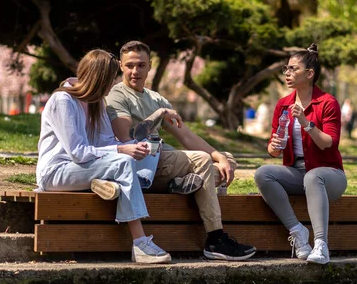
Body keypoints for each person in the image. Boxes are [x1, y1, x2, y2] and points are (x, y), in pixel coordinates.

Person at [106, 40, 256, 261]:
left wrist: (220, 157)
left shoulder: (155, 98)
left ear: (149, 66)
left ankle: (184, 184)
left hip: (164, 159)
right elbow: (127, 136)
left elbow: (186, 136)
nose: (134, 71)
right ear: (120, 65)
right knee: (203, 160)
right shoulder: (117, 96)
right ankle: (215, 238)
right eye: (129, 65)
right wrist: (159, 114)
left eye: (140, 65)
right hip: (143, 163)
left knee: (226, 160)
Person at [36, 49, 176, 264]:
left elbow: (107, 142)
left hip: (85, 167)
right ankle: (140, 244)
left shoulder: (96, 102)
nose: (112, 86)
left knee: (143, 150)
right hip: (57, 172)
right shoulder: (63, 100)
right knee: (124, 161)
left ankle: (113, 183)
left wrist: (135, 145)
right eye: (110, 80)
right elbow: (78, 152)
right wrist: (121, 151)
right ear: (100, 79)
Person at [254, 43, 347, 265]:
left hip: (330, 175)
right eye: (286, 68)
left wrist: (306, 123)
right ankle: (298, 232)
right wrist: (274, 146)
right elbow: (273, 149)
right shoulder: (283, 104)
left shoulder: (327, 103)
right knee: (263, 174)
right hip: (297, 173)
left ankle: (321, 245)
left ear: (309, 73)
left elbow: (329, 144)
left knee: (313, 176)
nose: (287, 73)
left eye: (293, 69)